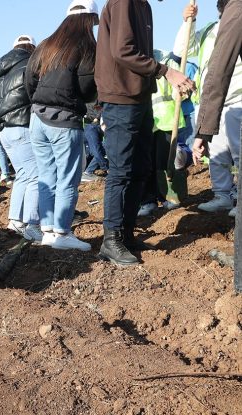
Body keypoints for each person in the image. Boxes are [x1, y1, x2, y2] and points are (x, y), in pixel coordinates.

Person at [95, 0, 195, 266]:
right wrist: (165, 71)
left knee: (141, 167)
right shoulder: (124, 2)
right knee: (121, 170)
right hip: (120, 98)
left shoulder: (143, 6)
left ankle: (127, 235)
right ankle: (111, 240)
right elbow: (122, 50)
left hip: (139, 98)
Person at [26, 0, 99, 252]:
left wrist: (38, 102)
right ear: (90, 20)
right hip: (65, 120)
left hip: (37, 119)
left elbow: (30, 78)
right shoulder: (88, 47)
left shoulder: (46, 44)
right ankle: (62, 232)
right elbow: (88, 87)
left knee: (47, 176)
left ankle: (47, 230)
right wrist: (81, 100)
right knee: (67, 179)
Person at [179, 0, 241, 215]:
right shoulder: (209, 29)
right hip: (214, 102)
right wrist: (190, 21)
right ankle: (222, 195)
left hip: (236, 97)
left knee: (238, 152)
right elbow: (183, 48)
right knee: (217, 153)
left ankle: (239, 199)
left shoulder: (238, 22)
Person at [0, 34, 42, 242]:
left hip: (4, 129)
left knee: (22, 175)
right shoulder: (30, 65)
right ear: (31, 48)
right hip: (22, 125)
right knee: (36, 176)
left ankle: (15, 221)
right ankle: (32, 225)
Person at [137, 50, 193, 217]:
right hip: (148, 122)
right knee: (146, 163)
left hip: (168, 120)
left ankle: (170, 196)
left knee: (165, 162)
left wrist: (182, 93)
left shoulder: (169, 63)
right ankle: (148, 201)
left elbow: (184, 87)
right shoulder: (140, 63)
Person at [81, 103, 108, 181]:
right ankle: (87, 173)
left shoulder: (97, 130)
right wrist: (106, 167)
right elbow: (96, 151)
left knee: (103, 147)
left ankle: (88, 171)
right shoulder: (92, 129)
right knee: (102, 147)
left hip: (87, 156)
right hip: (82, 161)